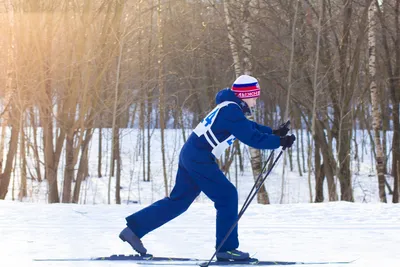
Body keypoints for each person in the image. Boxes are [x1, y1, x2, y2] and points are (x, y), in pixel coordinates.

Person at [119, 75, 296, 261]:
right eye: (254, 96)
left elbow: (249, 127)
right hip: (199, 157)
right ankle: (226, 249)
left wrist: (273, 132)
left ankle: (133, 231)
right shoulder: (231, 111)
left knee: (178, 201)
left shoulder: (229, 108)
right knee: (227, 195)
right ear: (245, 95)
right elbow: (251, 137)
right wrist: (279, 141)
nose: (255, 100)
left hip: (191, 154)